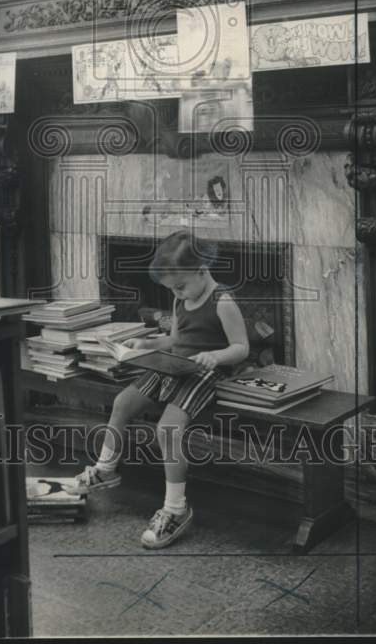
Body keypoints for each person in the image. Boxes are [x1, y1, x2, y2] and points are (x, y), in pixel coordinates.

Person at [75, 230, 250, 548]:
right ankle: (105, 469)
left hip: (203, 373)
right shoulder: (180, 296)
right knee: (123, 402)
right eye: (173, 289)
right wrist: (145, 342)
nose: (178, 295)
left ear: (201, 270)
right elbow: (175, 340)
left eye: (180, 286)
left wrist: (216, 355)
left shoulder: (222, 302)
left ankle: (175, 509)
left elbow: (242, 348)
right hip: (173, 363)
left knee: (167, 429)